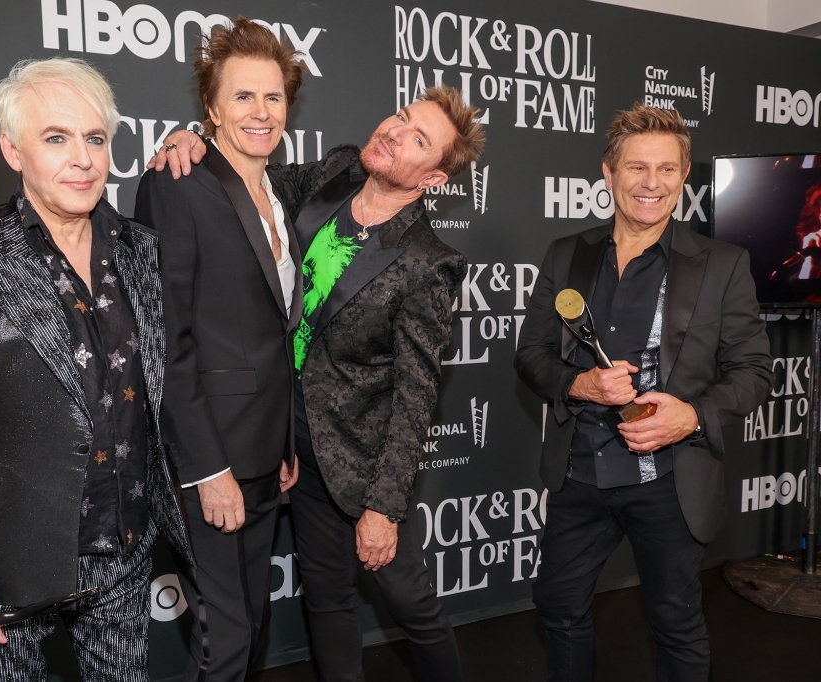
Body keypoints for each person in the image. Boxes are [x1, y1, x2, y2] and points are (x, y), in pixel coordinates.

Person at [152, 83, 482, 682]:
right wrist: (194, 140)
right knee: (326, 599)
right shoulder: (334, 173)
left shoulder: (427, 262)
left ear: (433, 177)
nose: (393, 131)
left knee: (411, 605)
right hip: (288, 440)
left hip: (364, 457)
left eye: (417, 138)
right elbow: (247, 183)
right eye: (401, 115)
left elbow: (416, 396)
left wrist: (383, 505)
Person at [0, 57, 192, 681]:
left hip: (126, 552)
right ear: (11, 149)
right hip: (4, 569)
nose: (81, 158)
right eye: (55, 138)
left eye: (95, 138)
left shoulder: (141, 247)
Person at [514, 103, 773, 682]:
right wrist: (577, 382)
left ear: (684, 177)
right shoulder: (567, 253)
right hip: (580, 473)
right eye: (635, 168)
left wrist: (692, 415)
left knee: (676, 625)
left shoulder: (724, 264)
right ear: (608, 172)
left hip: (670, 482)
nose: (650, 183)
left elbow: (756, 370)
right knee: (558, 607)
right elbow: (529, 355)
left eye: (665, 169)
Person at [132, 17, 305, 682]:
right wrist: (208, 470)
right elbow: (165, 337)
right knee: (227, 634)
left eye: (273, 98)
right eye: (242, 97)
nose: (260, 113)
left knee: (250, 626)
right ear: (210, 108)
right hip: (208, 458)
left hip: (265, 454)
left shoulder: (278, 195)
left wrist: (284, 442)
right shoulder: (178, 184)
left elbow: (270, 333)